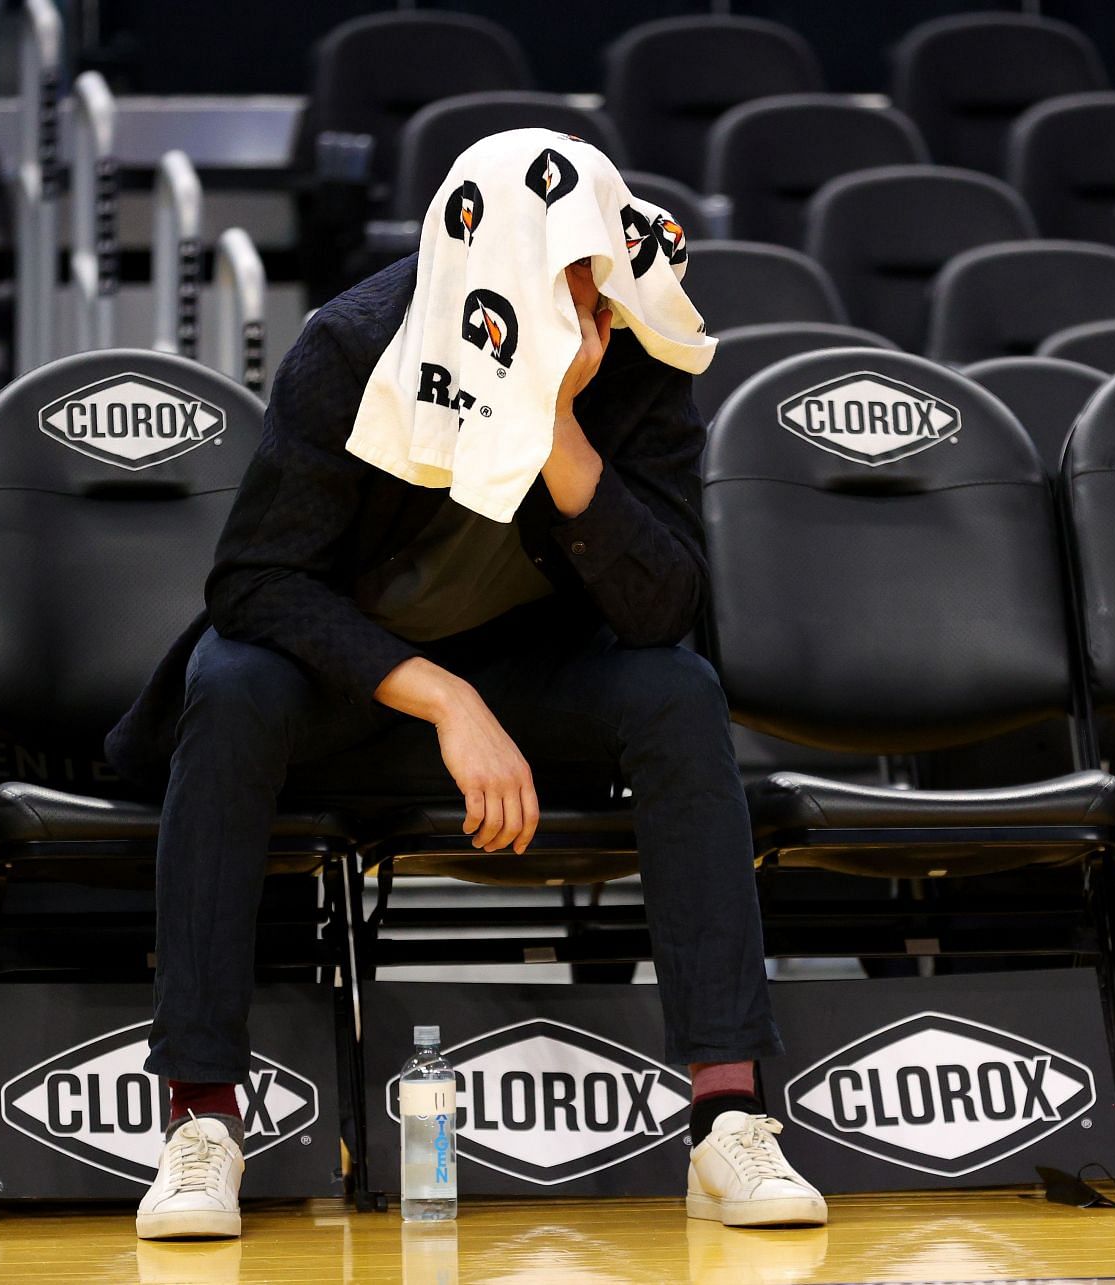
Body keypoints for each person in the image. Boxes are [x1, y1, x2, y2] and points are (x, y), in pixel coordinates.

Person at [105, 131, 826, 1240]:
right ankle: (200, 1119)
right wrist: (440, 695)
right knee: (231, 682)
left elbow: (664, 605)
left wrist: (561, 436)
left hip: (531, 678)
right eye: (554, 273)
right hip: (351, 685)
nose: (581, 295)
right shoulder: (353, 345)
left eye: (593, 267)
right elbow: (254, 580)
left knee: (676, 692)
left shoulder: (638, 354)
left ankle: (727, 1115)